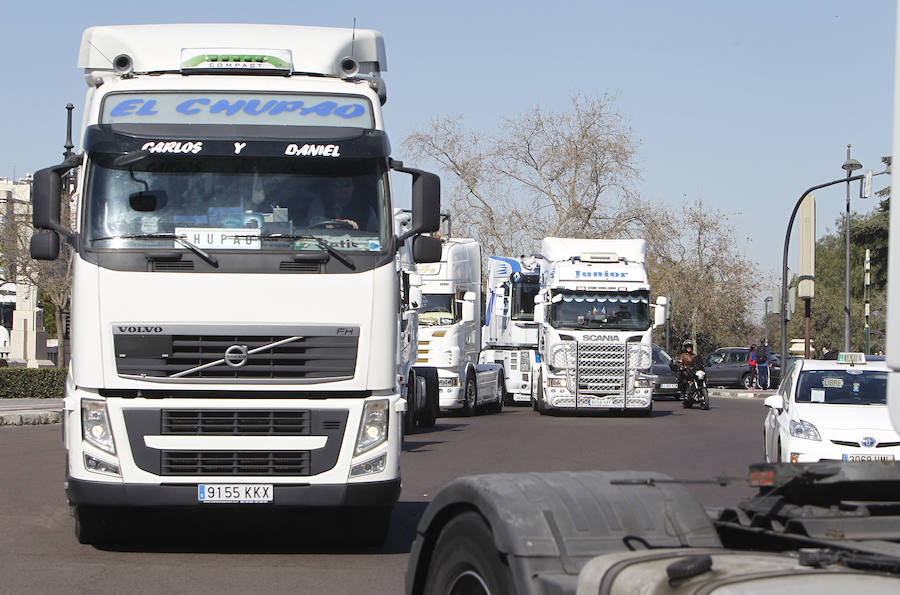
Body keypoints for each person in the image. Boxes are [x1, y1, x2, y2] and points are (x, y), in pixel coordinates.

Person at [307, 177, 377, 231]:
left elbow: (373, 232)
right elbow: (313, 221)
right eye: (337, 185)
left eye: (347, 184)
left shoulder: (365, 209)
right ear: (330, 187)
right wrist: (334, 223)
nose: (342, 188)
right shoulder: (319, 203)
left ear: (353, 187)